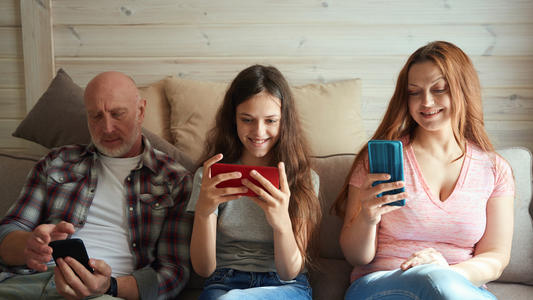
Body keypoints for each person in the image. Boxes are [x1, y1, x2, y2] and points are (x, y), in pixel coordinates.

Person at [332, 41, 515, 300]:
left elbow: (496, 257)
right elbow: (356, 256)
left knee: (438, 282)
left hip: (459, 287)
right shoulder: (376, 161)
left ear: (462, 90)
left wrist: (446, 272)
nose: (426, 102)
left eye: (439, 89)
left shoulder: (494, 169)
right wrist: (367, 218)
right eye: (414, 92)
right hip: (384, 284)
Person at [0, 71, 192, 299]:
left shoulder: (173, 179)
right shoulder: (57, 162)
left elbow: (174, 272)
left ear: (140, 111)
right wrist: (29, 246)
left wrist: (109, 286)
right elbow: (8, 234)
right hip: (26, 283)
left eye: (117, 114)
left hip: (103, 294)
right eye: (96, 116)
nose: (107, 128)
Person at [187, 64, 322, 299]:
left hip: (284, 285)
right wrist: (204, 212)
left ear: (284, 121)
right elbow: (203, 268)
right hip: (224, 280)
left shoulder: (304, 179)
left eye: (271, 121)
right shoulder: (209, 176)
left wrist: (281, 222)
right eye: (247, 119)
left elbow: (289, 271)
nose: (259, 132)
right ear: (233, 120)